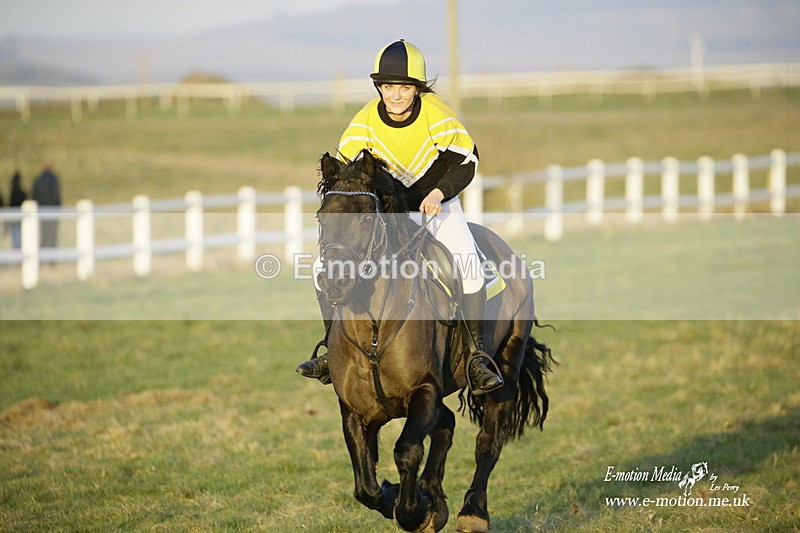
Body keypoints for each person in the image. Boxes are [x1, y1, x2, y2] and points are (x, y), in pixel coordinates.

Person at [295, 39, 503, 395]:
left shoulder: (438, 115)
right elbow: (349, 174)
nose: (395, 96)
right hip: (389, 211)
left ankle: (476, 357)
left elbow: (467, 161)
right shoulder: (363, 122)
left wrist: (439, 192)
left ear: (417, 88)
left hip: (437, 203)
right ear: (379, 88)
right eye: (388, 87)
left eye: (404, 88)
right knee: (321, 269)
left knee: (467, 263)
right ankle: (331, 351)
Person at [32, 164, 62, 249]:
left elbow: (34, 196)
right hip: (53, 210)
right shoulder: (54, 180)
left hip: (40, 210)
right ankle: (51, 256)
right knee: (52, 234)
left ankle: (42, 253)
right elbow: (56, 196)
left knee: (42, 233)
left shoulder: (37, 180)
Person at [7, 171, 27, 249]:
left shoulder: (13, 193)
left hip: (16, 218)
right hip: (19, 218)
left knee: (16, 236)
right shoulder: (22, 193)